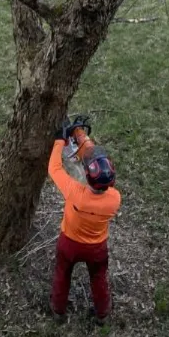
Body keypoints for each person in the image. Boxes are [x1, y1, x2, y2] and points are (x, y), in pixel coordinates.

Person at [49, 118, 122, 322]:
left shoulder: (75, 192)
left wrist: (59, 141)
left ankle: (58, 310)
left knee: (62, 275)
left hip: (69, 244)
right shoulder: (114, 199)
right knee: (98, 278)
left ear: (87, 176)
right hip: (97, 248)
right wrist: (79, 134)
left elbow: (54, 169)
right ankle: (102, 314)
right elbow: (94, 158)